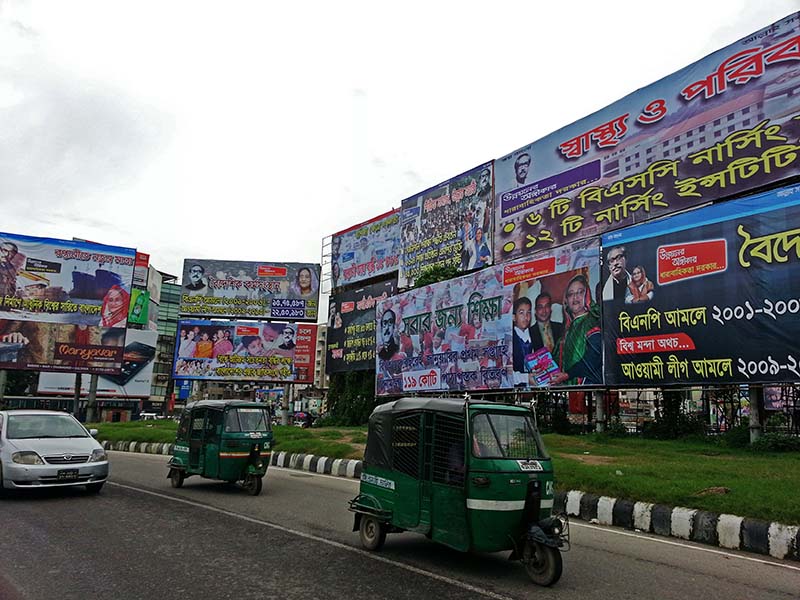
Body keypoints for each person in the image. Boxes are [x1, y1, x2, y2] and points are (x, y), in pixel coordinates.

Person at [553, 274, 602, 386]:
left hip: (588, 388)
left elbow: (594, 357)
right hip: (568, 389)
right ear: (566, 300)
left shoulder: (591, 321)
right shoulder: (567, 329)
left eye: (580, 292)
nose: (575, 297)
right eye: (570, 294)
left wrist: (567, 375)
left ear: (587, 296)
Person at [511, 297, 536, 385]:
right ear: (514, 317)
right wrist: (526, 378)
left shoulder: (535, 335)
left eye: (528, 312)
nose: (526, 317)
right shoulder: (509, 339)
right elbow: (506, 374)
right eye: (521, 313)